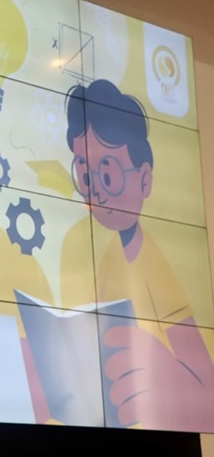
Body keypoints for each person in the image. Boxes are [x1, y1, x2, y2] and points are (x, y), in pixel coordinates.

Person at [62, 79, 214, 431]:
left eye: (108, 175)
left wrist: (163, 373)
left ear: (145, 180)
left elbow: (206, 390)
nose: (97, 194)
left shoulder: (153, 263)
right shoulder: (110, 253)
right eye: (86, 177)